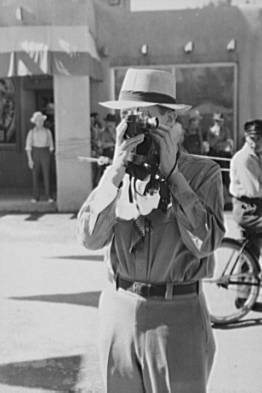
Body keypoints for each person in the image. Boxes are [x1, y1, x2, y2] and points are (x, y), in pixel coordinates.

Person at [77, 68, 225, 393]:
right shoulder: (118, 173)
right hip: (119, 309)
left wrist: (174, 176)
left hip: (177, 317)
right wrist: (115, 170)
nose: (136, 128)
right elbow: (89, 237)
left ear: (170, 122)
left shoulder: (202, 173)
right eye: (129, 118)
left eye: (146, 119)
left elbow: (206, 243)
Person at [229, 119, 262, 307]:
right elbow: (254, 191)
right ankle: (243, 297)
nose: (255, 143)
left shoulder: (256, 154)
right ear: (246, 137)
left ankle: (244, 298)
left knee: (250, 252)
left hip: (255, 208)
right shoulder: (244, 158)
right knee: (250, 251)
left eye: (259, 139)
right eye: (252, 138)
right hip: (247, 210)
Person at [25, 111, 54, 202]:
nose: (40, 122)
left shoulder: (47, 132)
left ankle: (49, 196)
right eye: (38, 121)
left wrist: (49, 154)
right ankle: (35, 196)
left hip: (45, 152)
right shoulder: (31, 132)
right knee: (35, 175)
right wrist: (30, 159)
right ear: (35, 122)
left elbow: (51, 146)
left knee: (47, 175)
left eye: (41, 120)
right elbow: (28, 147)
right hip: (35, 153)